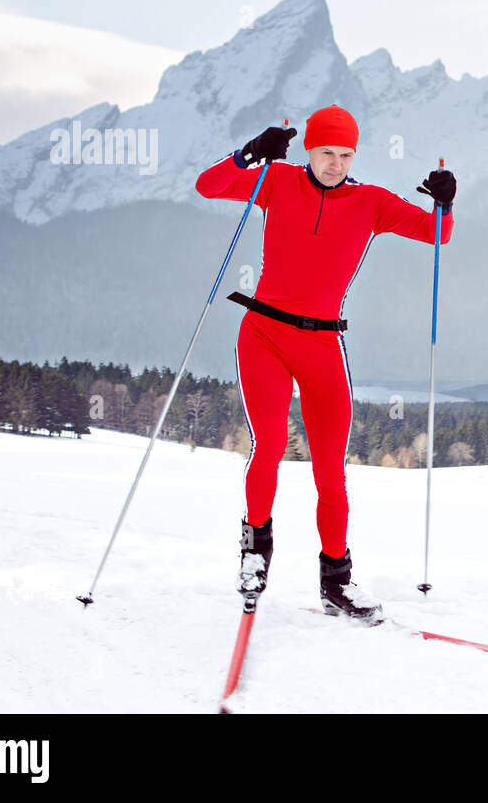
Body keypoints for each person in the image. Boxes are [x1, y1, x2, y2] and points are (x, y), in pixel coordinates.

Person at [194, 104, 455, 620]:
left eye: (344, 154)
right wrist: (248, 153)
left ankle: (336, 583)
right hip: (263, 334)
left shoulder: (372, 202)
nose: (335, 163)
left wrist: (447, 202)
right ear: (308, 151)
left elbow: (437, 234)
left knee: (331, 470)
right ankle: (254, 557)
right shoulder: (275, 181)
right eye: (325, 152)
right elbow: (208, 186)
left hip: (322, 345)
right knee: (269, 445)